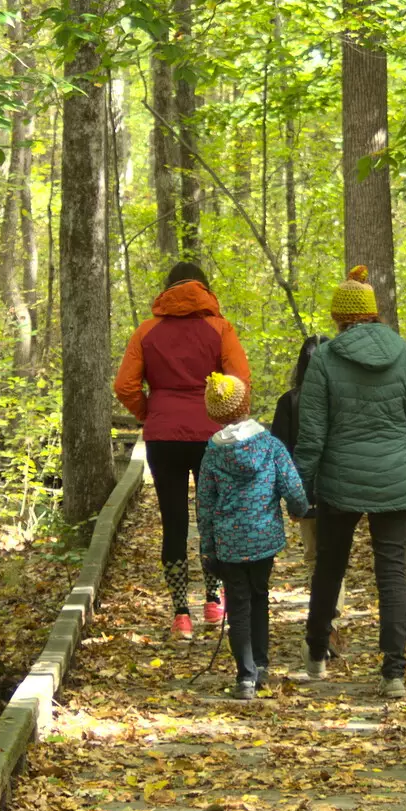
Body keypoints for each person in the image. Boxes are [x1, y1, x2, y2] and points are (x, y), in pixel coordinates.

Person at [295, 266, 406, 700]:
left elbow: (312, 432)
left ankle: (317, 655)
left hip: (340, 480)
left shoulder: (325, 360)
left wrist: (301, 486)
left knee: (330, 566)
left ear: (338, 318)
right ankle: (393, 671)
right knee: (391, 571)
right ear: (374, 314)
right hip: (396, 477)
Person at [115, 262, 251, 639]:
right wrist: (229, 420)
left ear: (167, 289)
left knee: (173, 522)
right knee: (212, 517)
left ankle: (180, 614)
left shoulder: (146, 331)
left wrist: (150, 413)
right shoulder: (219, 328)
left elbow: (125, 386)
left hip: (163, 438)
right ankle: (212, 600)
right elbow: (239, 381)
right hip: (211, 436)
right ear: (205, 289)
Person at [196, 374, 310, 699]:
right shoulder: (270, 445)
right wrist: (301, 508)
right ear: (246, 404)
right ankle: (260, 666)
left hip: (229, 543)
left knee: (239, 605)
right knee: (260, 598)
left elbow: (205, 506)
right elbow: (291, 484)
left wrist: (208, 548)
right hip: (264, 539)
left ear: (213, 414)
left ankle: (245, 677)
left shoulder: (213, 454)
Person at [270, 334, 331, 587]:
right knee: (330, 554)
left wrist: (290, 497)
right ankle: (330, 614)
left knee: (314, 555)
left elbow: (279, 455)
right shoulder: (343, 399)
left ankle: (325, 612)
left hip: (304, 492)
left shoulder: (289, 401)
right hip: (337, 490)